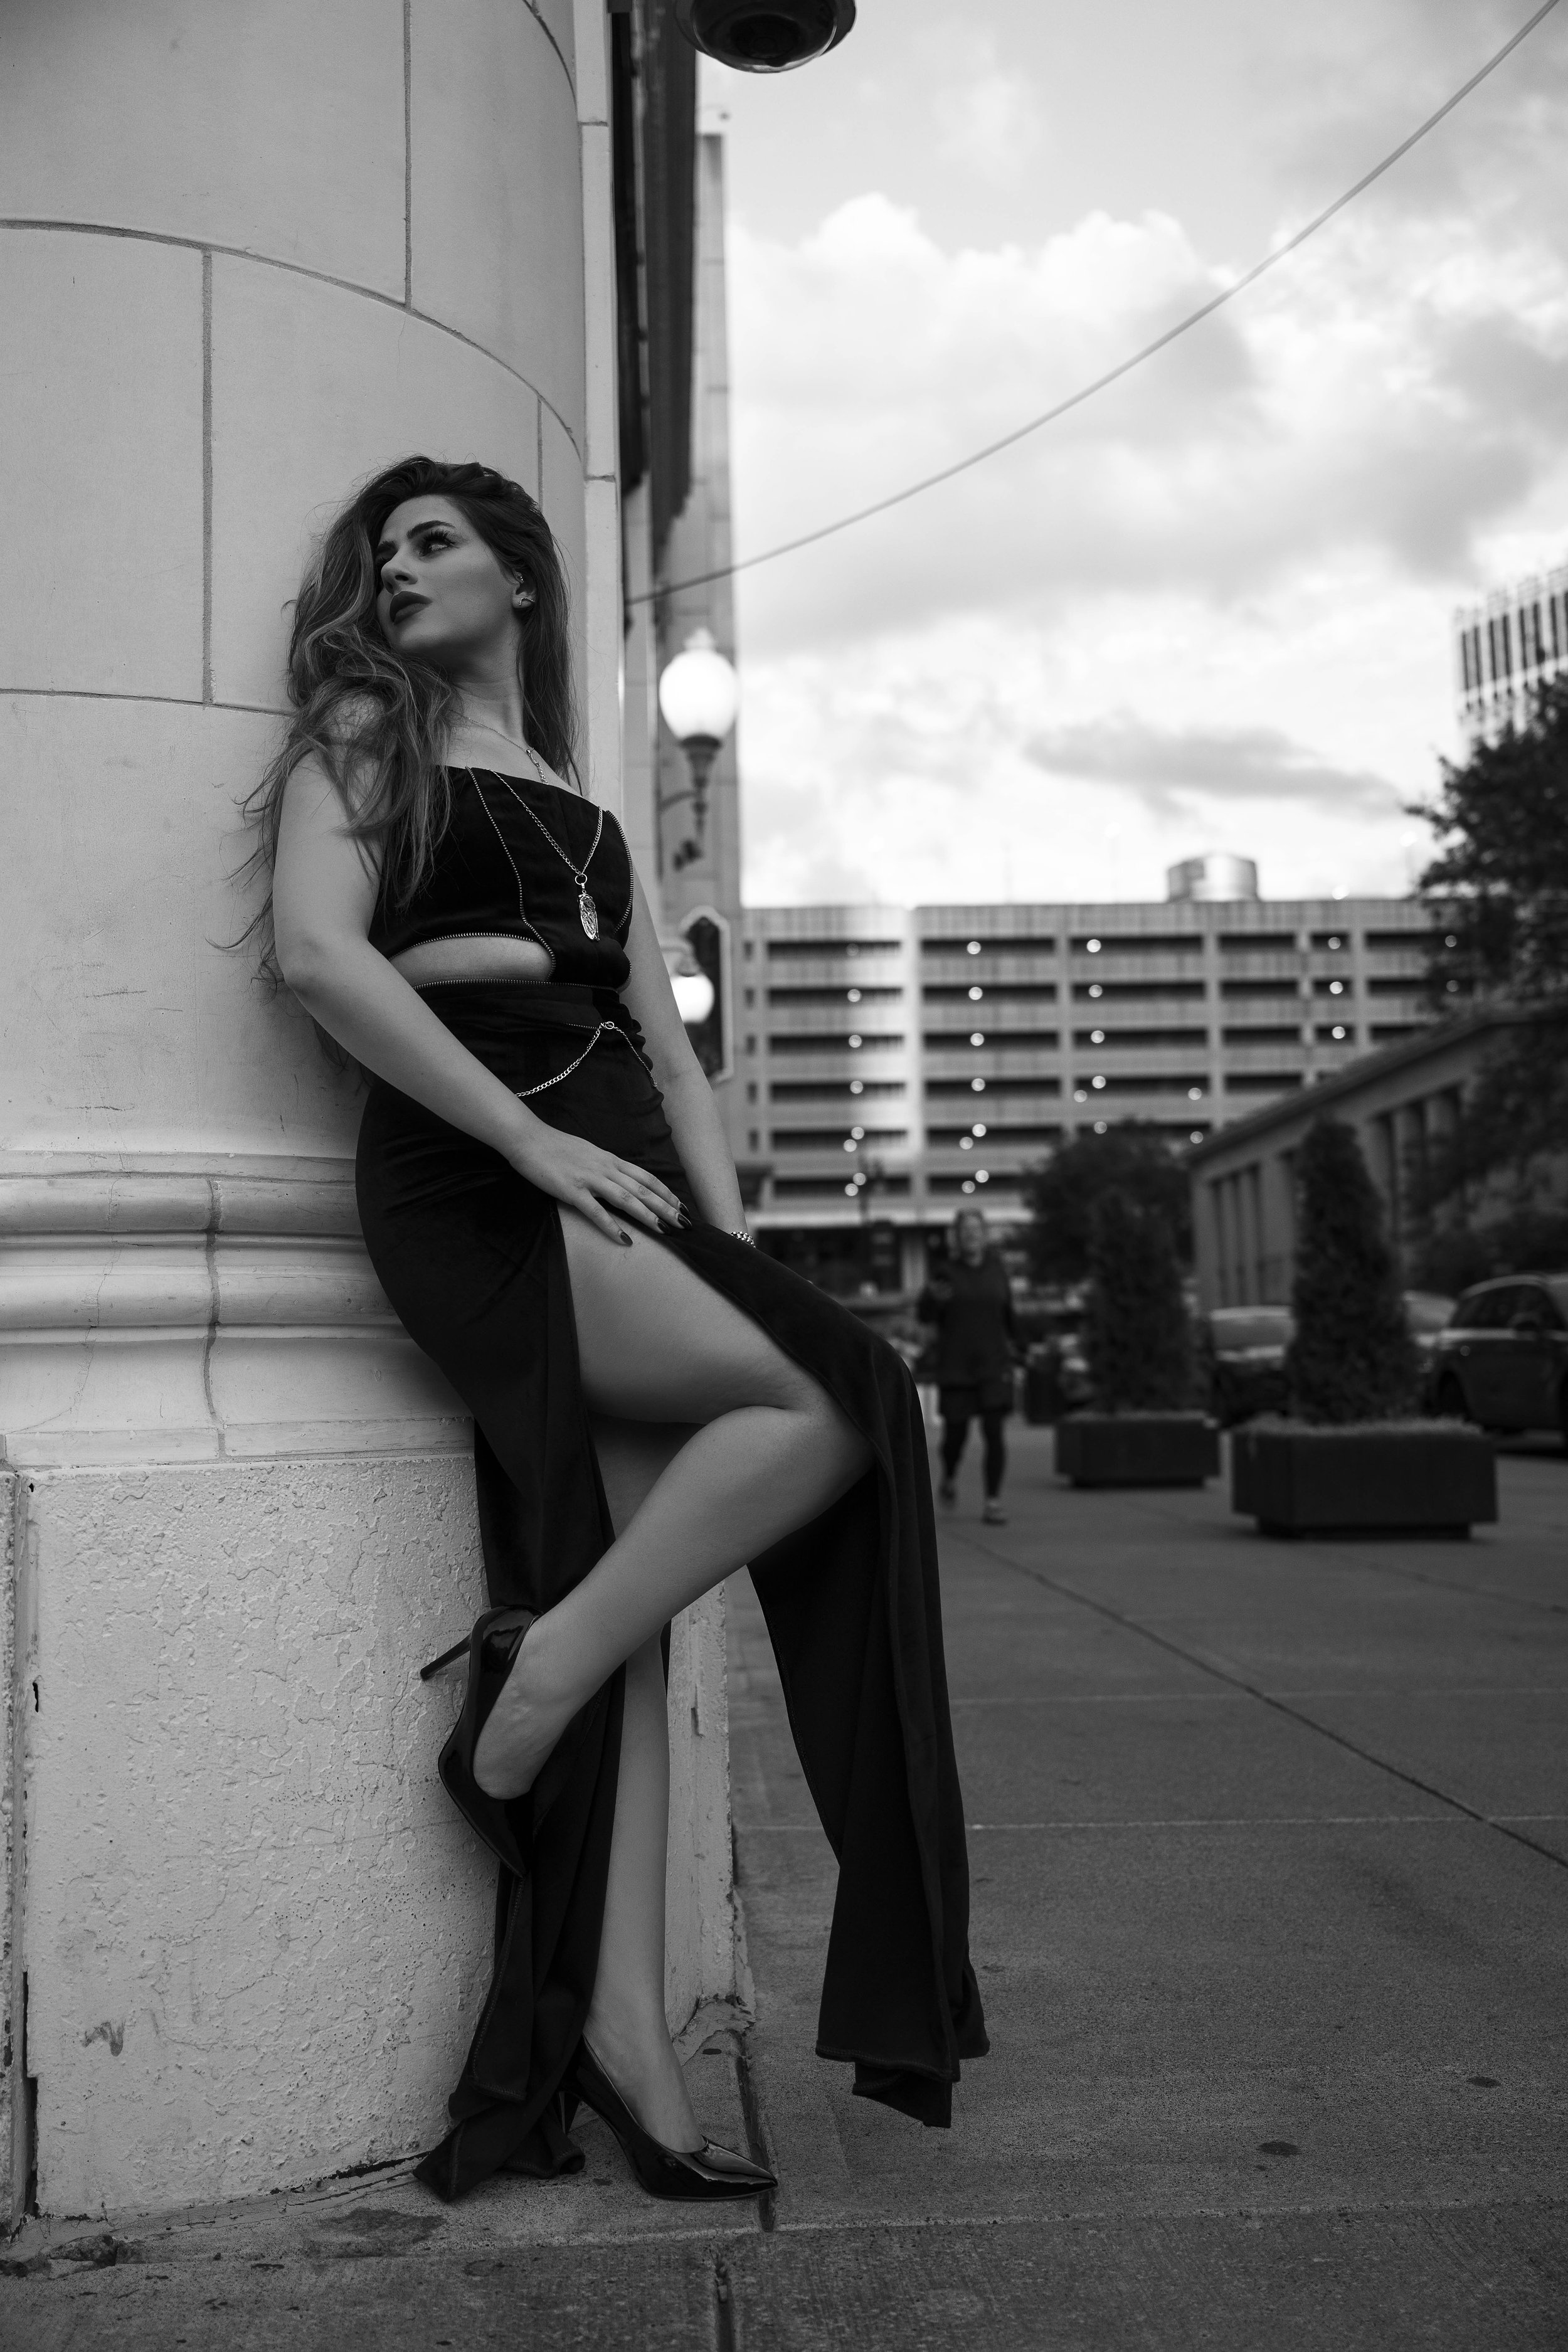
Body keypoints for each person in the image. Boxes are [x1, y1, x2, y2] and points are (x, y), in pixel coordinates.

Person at [245, 457, 986, 2206]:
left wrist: (736, 1252)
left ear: (520, 573)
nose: (397, 567)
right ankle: (539, 1670)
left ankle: (633, 2054)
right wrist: (528, 1143)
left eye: (434, 541)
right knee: (848, 1397)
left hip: (624, 1172)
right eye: (382, 549)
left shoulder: (584, 805)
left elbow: (670, 1048)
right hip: (487, 1173)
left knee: (658, 1612)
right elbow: (320, 957)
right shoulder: (369, 730)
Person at [918, 1209, 1020, 1526]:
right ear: (957, 1237)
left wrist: (1021, 1349)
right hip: (957, 1367)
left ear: (985, 1234)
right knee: (955, 1438)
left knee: (994, 1433)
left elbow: (1009, 1316)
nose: (971, 1234)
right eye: (965, 1229)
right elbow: (925, 1315)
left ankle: (993, 1501)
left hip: (993, 1366)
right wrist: (932, 1299)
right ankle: (949, 1475)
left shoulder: (998, 1272)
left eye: (977, 1229)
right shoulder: (945, 1273)